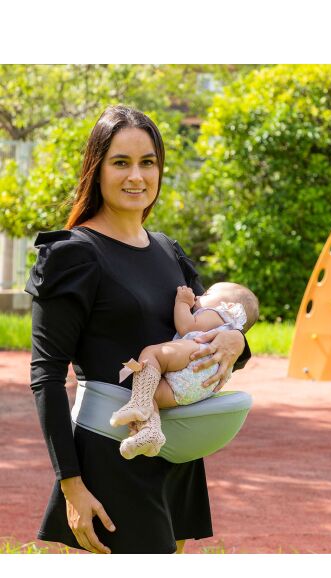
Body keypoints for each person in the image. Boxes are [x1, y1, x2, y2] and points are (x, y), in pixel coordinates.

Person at [25, 105, 250, 554]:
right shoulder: (73, 255)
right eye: (121, 163)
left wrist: (237, 339)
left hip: (177, 449)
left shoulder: (169, 251)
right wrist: (72, 486)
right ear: (97, 168)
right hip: (112, 451)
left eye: (147, 163)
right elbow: (45, 377)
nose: (137, 177)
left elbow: (210, 334)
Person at [110, 281, 259, 459]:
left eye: (208, 293)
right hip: (197, 388)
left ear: (229, 305)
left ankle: (138, 404)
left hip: (197, 357)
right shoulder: (227, 323)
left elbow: (188, 327)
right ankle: (150, 432)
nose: (200, 295)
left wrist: (181, 302)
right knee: (152, 393)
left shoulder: (220, 313)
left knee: (151, 354)